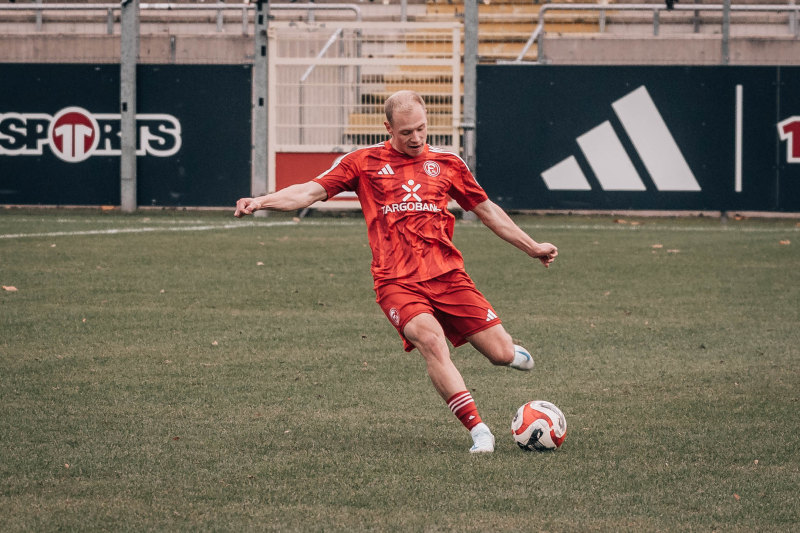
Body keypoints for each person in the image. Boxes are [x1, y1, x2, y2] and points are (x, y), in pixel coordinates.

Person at [235, 90, 557, 453]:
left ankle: (510, 354)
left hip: (448, 275)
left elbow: (487, 211)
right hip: (396, 281)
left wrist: (532, 247)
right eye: (406, 132)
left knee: (499, 354)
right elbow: (307, 193)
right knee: (431, 342)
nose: (416, 138)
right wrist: (261, 200)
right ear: (388, 127)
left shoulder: (448, 163)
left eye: (421, 129)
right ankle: (479, 431)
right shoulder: (363, 162)